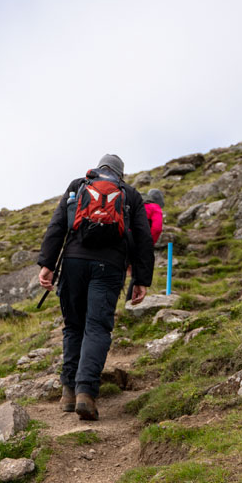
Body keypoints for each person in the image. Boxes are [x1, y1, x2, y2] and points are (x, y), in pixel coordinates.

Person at [38, 154, 155, 421]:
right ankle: (85, 394)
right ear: (120, 174)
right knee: (97, 327)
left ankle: (68, 392)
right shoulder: (131, 195)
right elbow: (143, 239)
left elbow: (57, 224)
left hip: (74, 262)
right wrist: (141, 279)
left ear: (99, 168)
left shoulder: (78, 185)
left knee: (74, 326)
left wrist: (47, 263)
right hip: (110, 266)